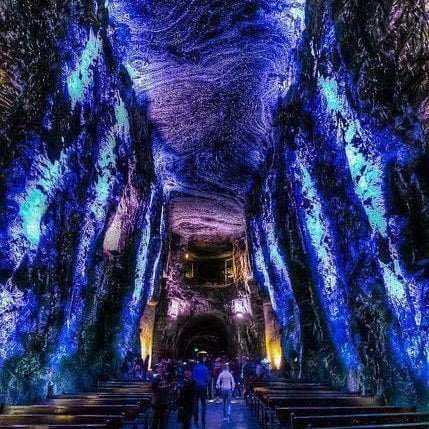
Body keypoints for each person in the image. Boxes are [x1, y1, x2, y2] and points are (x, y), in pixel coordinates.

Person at [151, 363, 171, 429]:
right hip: (156, 404)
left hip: (164, 404)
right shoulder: (155, 377)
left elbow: (169, 389)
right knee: (154, 424)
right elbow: (153, 387)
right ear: (157, 369)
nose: (162, 369)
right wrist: (158, 378)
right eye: (160, 368)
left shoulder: (167, 377)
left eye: (163, 367)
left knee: (163, 425)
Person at [192, 358, 210, 426]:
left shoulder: (195, 368)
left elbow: (193, 377)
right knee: (203, 404)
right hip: (203, 387)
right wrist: (205, 383)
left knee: (195, 404)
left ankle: (196, 420)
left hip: (196, 387)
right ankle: (203, 420)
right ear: (203, 362)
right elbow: (208, 378)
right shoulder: (205, 368)